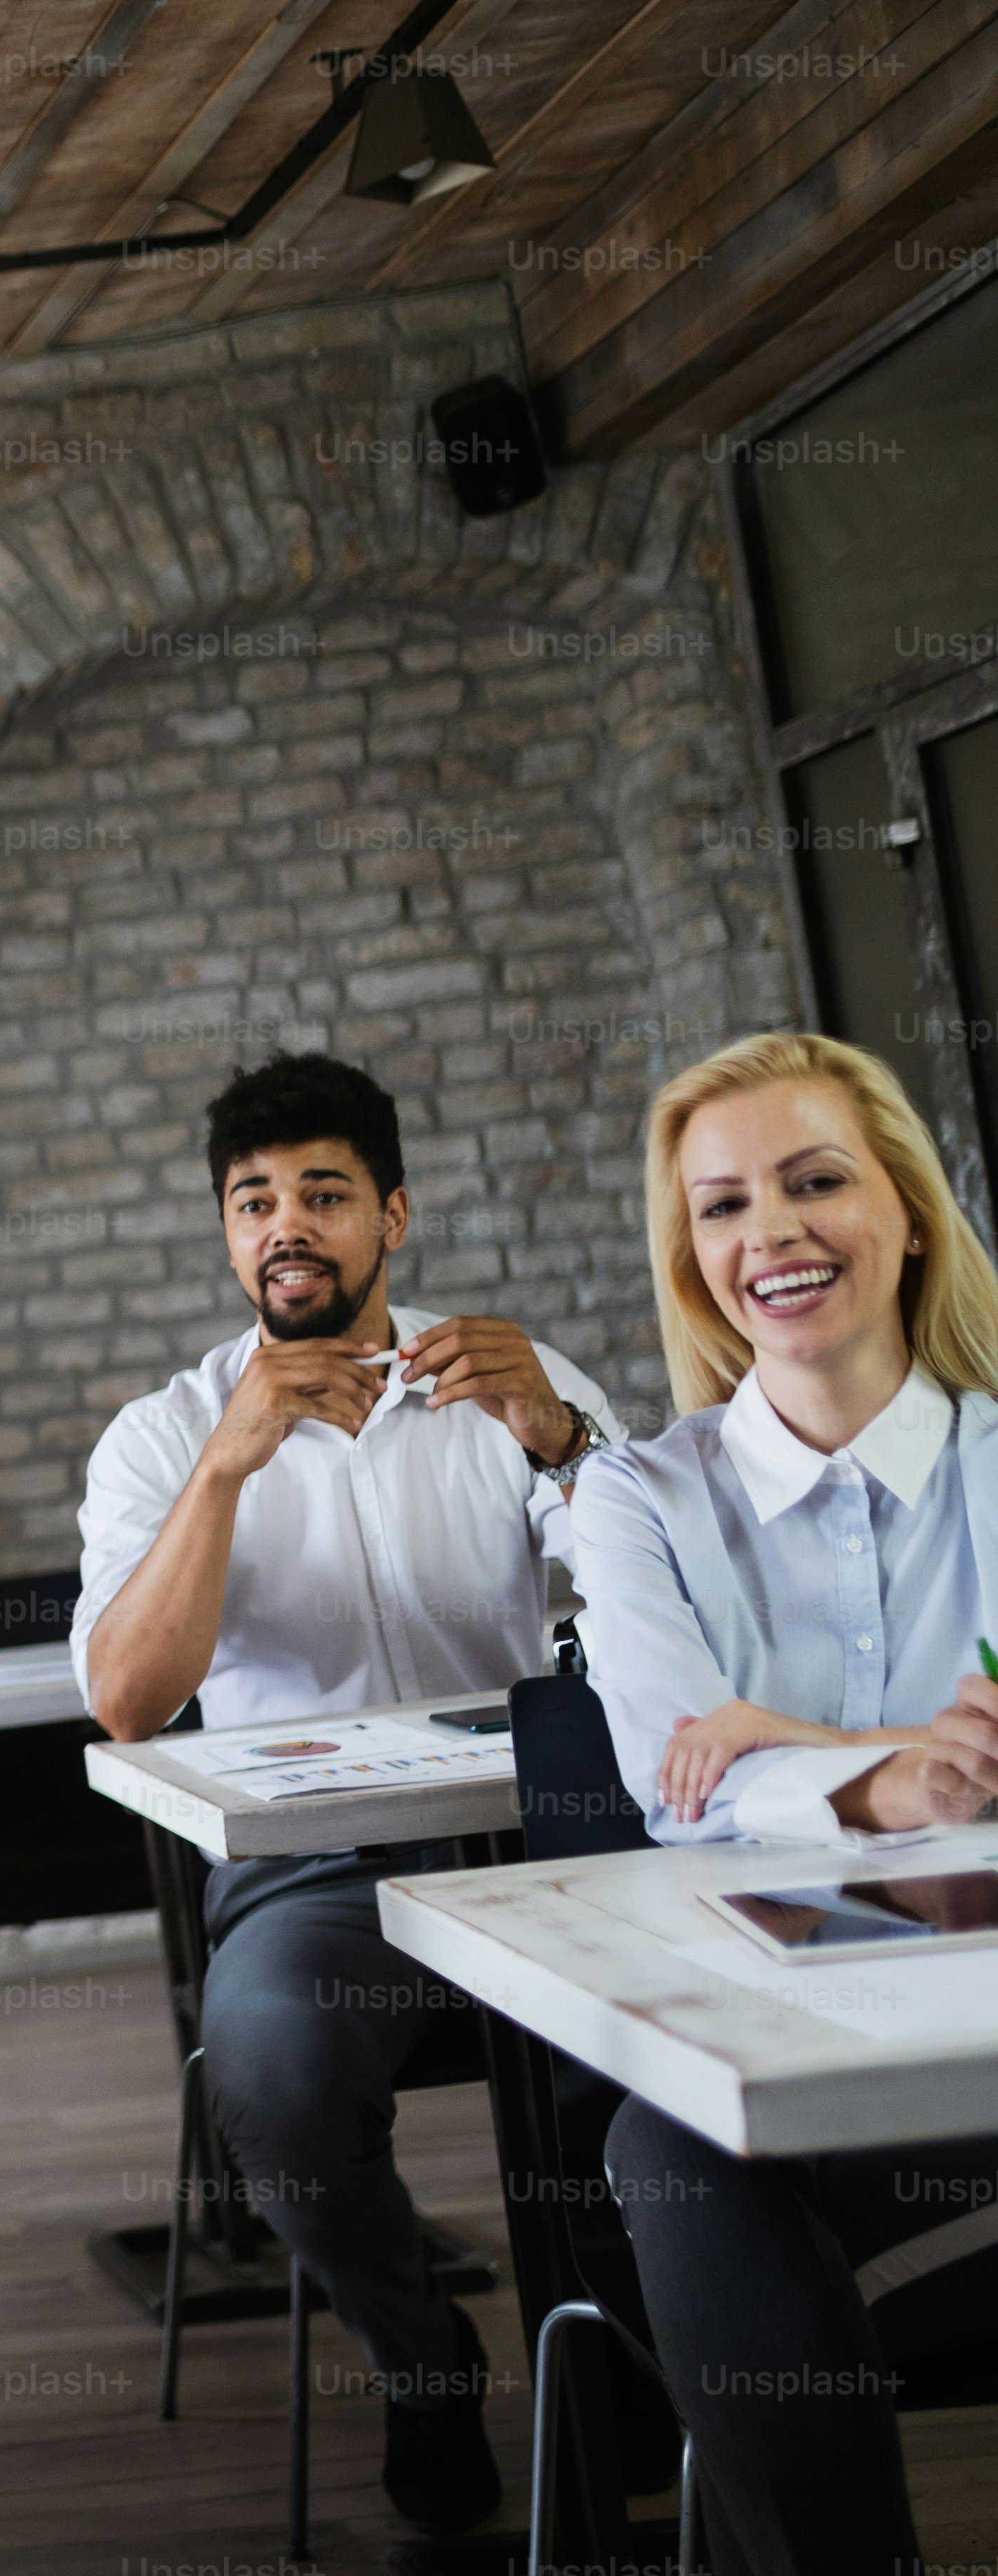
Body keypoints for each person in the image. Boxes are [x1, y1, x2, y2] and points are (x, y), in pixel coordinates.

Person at [71, 1054, 617, 2536]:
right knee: (273, 2076)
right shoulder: (162, 1437)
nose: (286, 1226)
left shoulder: (513, 1372)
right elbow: (126, 1697)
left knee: (633, 2079)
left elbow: (667, 1614)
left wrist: (565, 1443)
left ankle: (620, 2390)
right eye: (254, 1203)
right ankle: (420, 2356)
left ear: (394, 1213)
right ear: (225, 1237)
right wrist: (226, 1474)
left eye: (323, 1194)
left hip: (543, 1849)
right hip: (319, 1878)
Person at [569, 1031, 998, 2576]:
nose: (775, 1236)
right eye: (726, 1206)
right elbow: (677, 1782)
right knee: (665, 2155)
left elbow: (744, 1766)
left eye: (817, 1183)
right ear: (693, 1256)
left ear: (909, 1211)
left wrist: (789, 1740)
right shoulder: (636, 1498)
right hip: (791, 2071)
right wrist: (901, 1764)